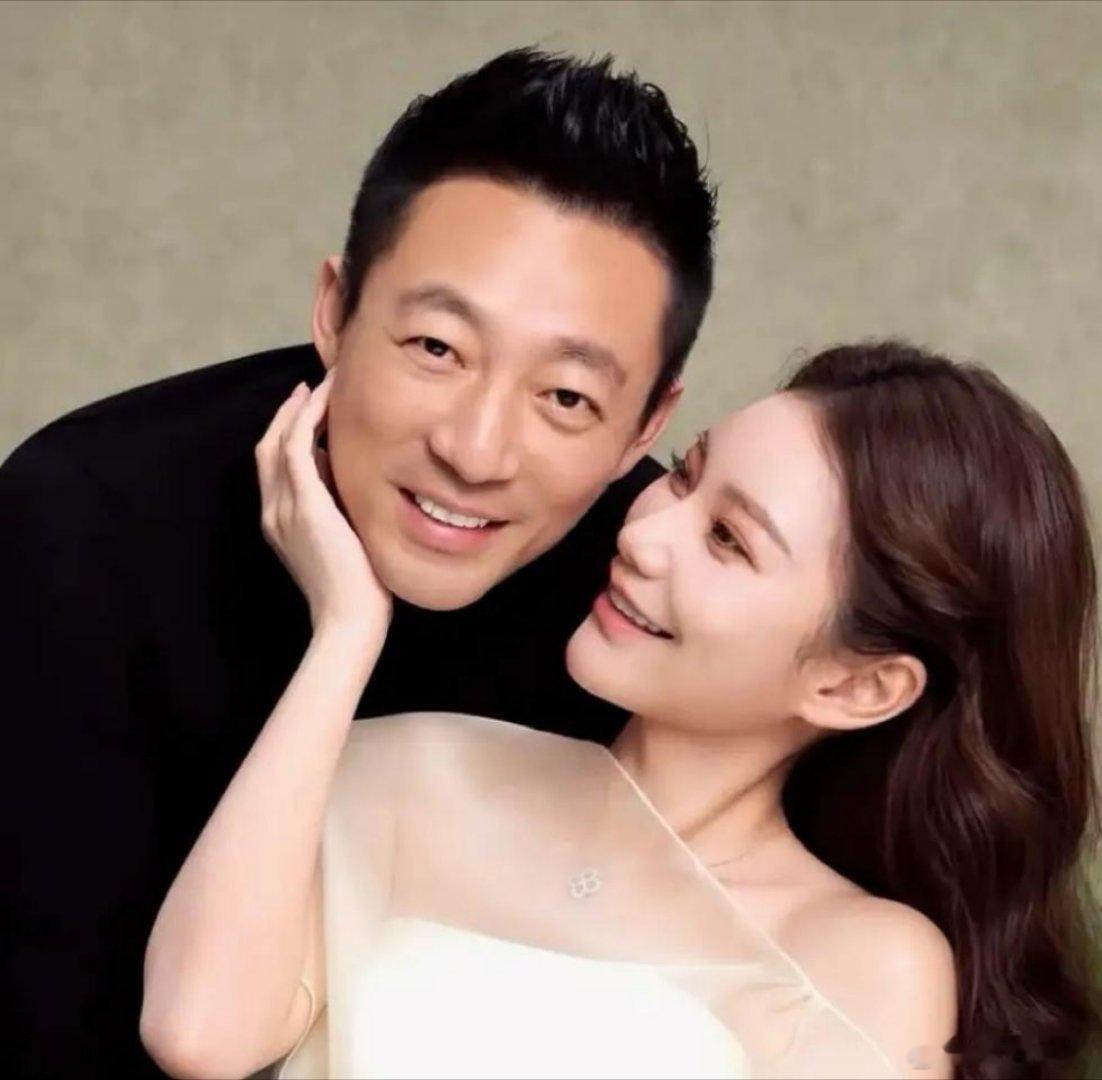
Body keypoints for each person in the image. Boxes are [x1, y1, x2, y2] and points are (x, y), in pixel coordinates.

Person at [0, 48, 716, 1077]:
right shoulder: (84, 520)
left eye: (566, 397)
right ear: (334, 311)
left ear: (646, 423)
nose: (475, 451)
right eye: (436, 348)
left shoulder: (652, 605)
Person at [140, 341, 1101, 1080]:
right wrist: (347, 632)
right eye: (684, 473)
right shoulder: (411, 771)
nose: (646, 533)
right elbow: (199, 1033)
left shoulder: (865, 963)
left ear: (857, 686)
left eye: (728, 540)